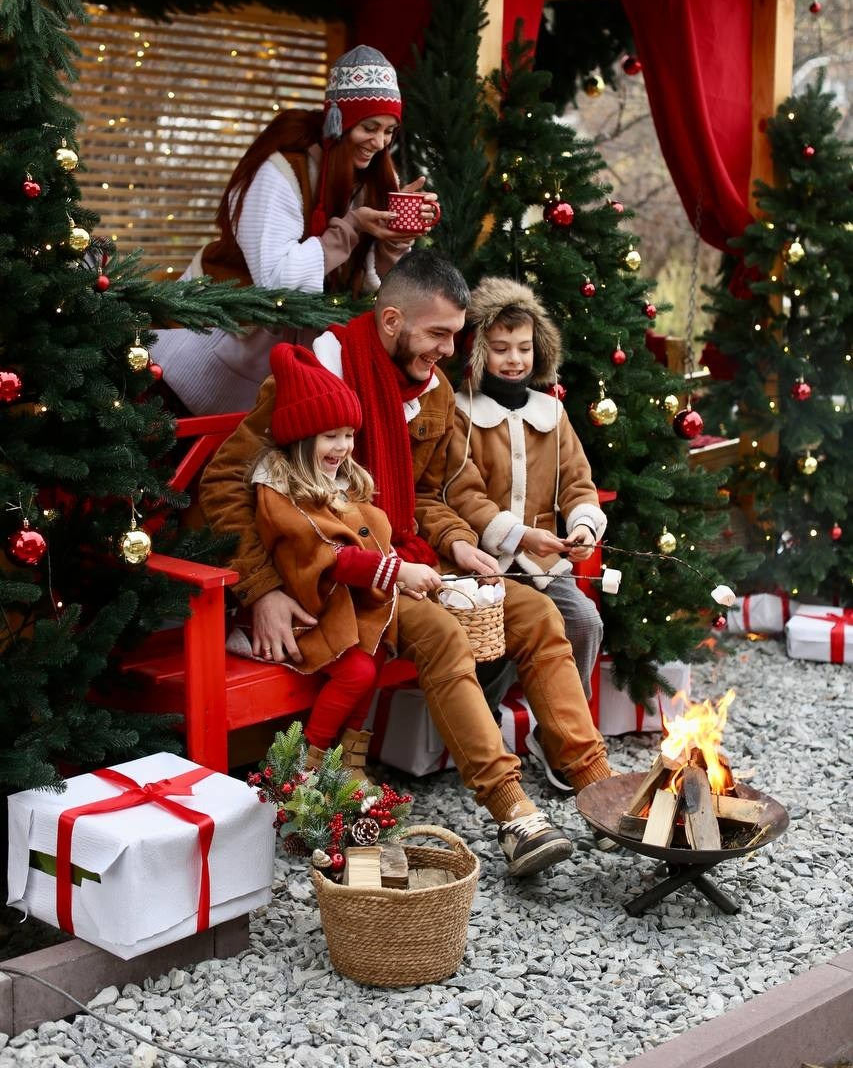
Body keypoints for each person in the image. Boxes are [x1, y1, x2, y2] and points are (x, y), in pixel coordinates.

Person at [200, 250, 613, 878]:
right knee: (444, 634)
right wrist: (260, 590)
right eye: (439, 334)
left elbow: (433, 493)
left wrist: (456, 546)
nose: (451, 349)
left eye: (455, 334)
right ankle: (513, 811)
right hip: (338, 584)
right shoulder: (316, 379)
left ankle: (597, 784)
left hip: (407, 559)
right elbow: (229, 481)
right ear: (392, 320)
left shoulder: (435, 392)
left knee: (532, 612)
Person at [152, 44, 436, 414]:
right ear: (339, 120)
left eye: (389, 131)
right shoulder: (281, 170)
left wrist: (393, 245)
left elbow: (374, 288)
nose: (380, 143)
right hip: (223, 340)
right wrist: (349, 229)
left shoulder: (376, 175)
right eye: (369, 127)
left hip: (299, 354)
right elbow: (276, 280)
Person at [247, 342, 441, 780]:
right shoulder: (281, 492)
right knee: (354, 670)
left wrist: (398, 572)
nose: (342, 447)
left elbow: (368, 539)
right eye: (330, 436)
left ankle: (349, 762)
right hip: (307, 605)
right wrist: (396, 571)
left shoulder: (339, 481)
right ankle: (308, 764)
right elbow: (328, 554)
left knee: (372, 660)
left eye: (349, 435)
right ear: (301, 437)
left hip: (343, 606)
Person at [441, 278, 606, 789]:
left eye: (524, 348)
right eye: (500, 349)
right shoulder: (462, 413)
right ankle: (482, 732)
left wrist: (580, 524)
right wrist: (513, 535)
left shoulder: (550, 414)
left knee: (582, 621)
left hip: (540, 563)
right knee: (487, 642)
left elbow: (578, 481)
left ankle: (554, 735)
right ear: (478, 351)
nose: (514, 360)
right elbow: (461, 492)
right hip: (482, 564)